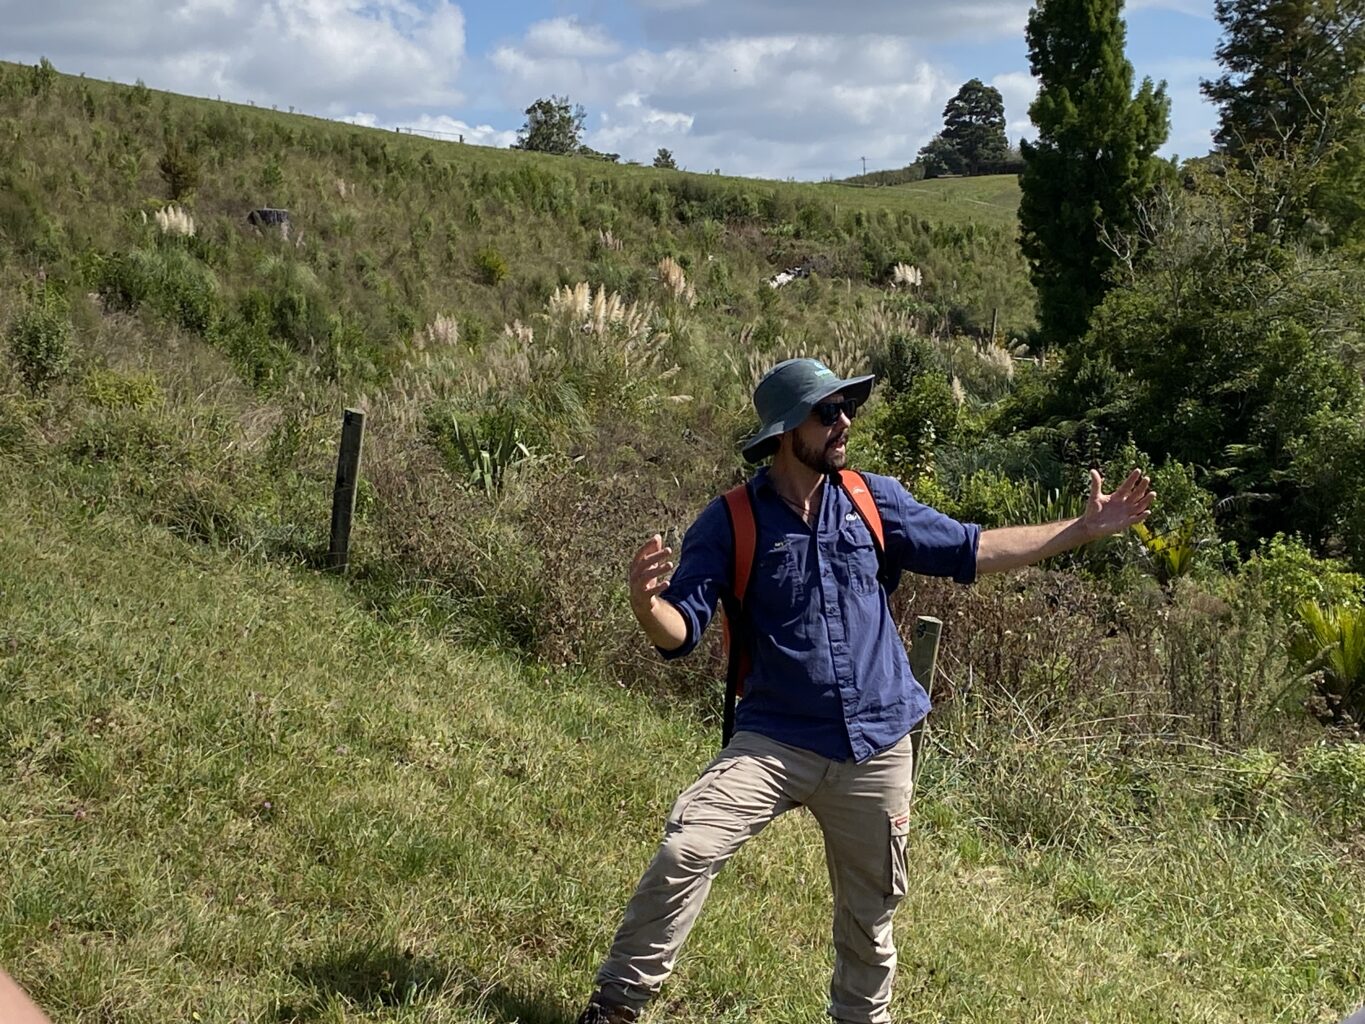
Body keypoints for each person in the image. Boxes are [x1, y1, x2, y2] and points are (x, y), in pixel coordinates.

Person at [576, 358, 1154, 1024]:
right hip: (774, 739)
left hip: (878, 743)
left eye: (846, 407)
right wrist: (645, 604)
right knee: (687, 847)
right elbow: (679, 631)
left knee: (868, 920)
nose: (844, 421)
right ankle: (616, 1006)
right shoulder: (730, 521)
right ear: (786, 429)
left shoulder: (871, 498)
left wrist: (1081, 529)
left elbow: (972, 548)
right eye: (827, 412)